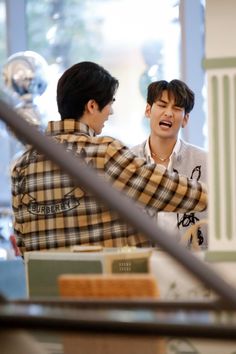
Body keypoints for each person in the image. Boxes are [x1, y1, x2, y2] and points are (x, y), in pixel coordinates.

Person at [11, 62, 207, 253]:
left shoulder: (22, 165)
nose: (110, 112)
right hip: (105, 282)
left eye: (177, 108)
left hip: (46, 283)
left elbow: (22, 243)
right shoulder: (104, 152)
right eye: (110, 103)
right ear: (92, 106)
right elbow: (170, 192)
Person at [131, 79, 208, 249]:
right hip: (142, 263)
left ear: (185, 119)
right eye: (162, 105)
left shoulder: (206, 162)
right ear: (148, 110)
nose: (168, 113)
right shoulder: (128, 161)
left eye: (177, 108)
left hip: (194, 265)